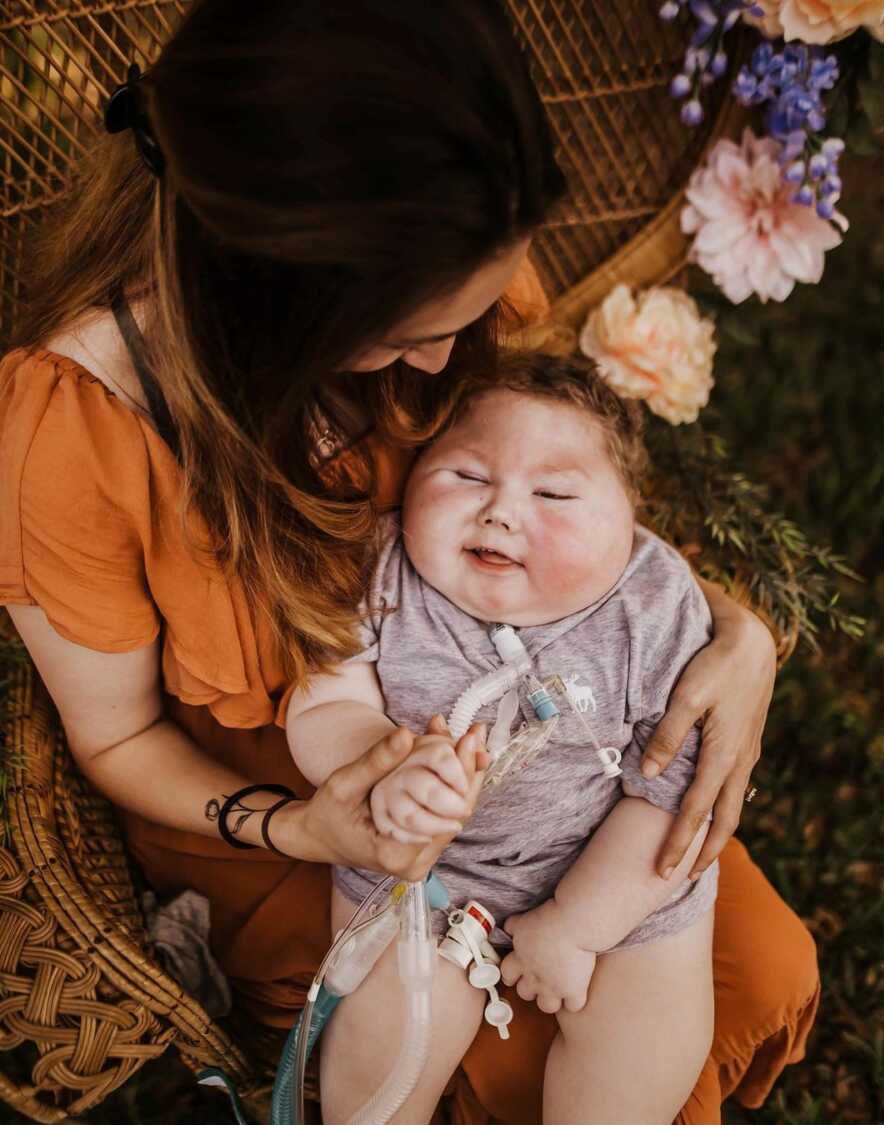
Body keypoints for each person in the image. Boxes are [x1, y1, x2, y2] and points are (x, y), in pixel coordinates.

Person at [0, 2, 818, 1121]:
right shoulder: (75, 430)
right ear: (278, 292)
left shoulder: (447, 257)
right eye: (406, 337)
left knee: (744, 975)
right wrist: (313, 825)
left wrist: (735, 634)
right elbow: (119, 737)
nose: (446, 362)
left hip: (532, 754)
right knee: (464, 1061)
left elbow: (546, 514)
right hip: (284, 794)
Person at [288, 353, 718, 1123]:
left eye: (552, 493)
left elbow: (675, 789)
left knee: (646, 1039)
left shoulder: (653, 602)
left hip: (614, 862)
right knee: (375, 1069)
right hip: (422, 872)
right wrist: (381, 765)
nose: (501, 511)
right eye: (465, 477)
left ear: (630, 520)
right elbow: (322, 701)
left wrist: (579, 924)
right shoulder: (380, 569)